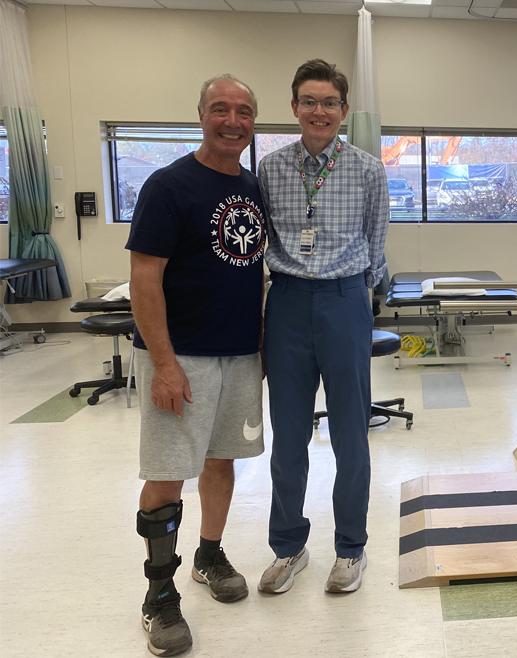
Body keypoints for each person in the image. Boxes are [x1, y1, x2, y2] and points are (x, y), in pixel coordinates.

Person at [127, 74, 266, 656]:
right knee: (167, 473)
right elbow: (144, 279)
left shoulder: (253, 188)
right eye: (220, 109)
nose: (232, 120)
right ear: (201, 115)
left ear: (253, 121)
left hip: (239, 354)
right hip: (181, 356)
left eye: (243, 111)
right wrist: (163, 364)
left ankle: (209, 555)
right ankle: (159, 596)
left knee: (222, 462)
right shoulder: (168, 186)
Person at [257, 59, 389, 596]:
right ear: (294, 108)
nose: (319, 111)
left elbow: (377, 244)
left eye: (329, 102)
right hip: (286, 303)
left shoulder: (366, 169)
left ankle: (350, 549)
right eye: (308, 101)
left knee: (351, 436)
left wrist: (357, 297)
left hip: (343, 301)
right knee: (287, 437)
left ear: (344, 110)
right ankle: (289, 548)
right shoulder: (269, 169)